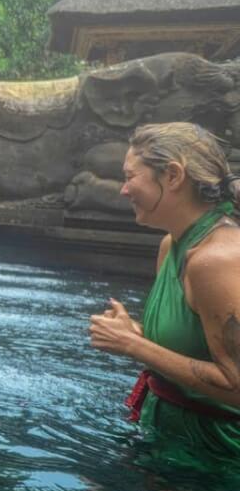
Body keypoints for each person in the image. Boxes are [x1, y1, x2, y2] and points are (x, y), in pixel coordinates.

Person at [89, 122, 240, 460]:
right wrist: (136, 333)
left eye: (130, 176)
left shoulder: (216, 260)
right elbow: (194, 346)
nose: (123, 190)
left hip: (219, 459)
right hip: (170, 441)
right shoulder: (171, 245)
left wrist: (133, 345)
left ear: (173, 176)